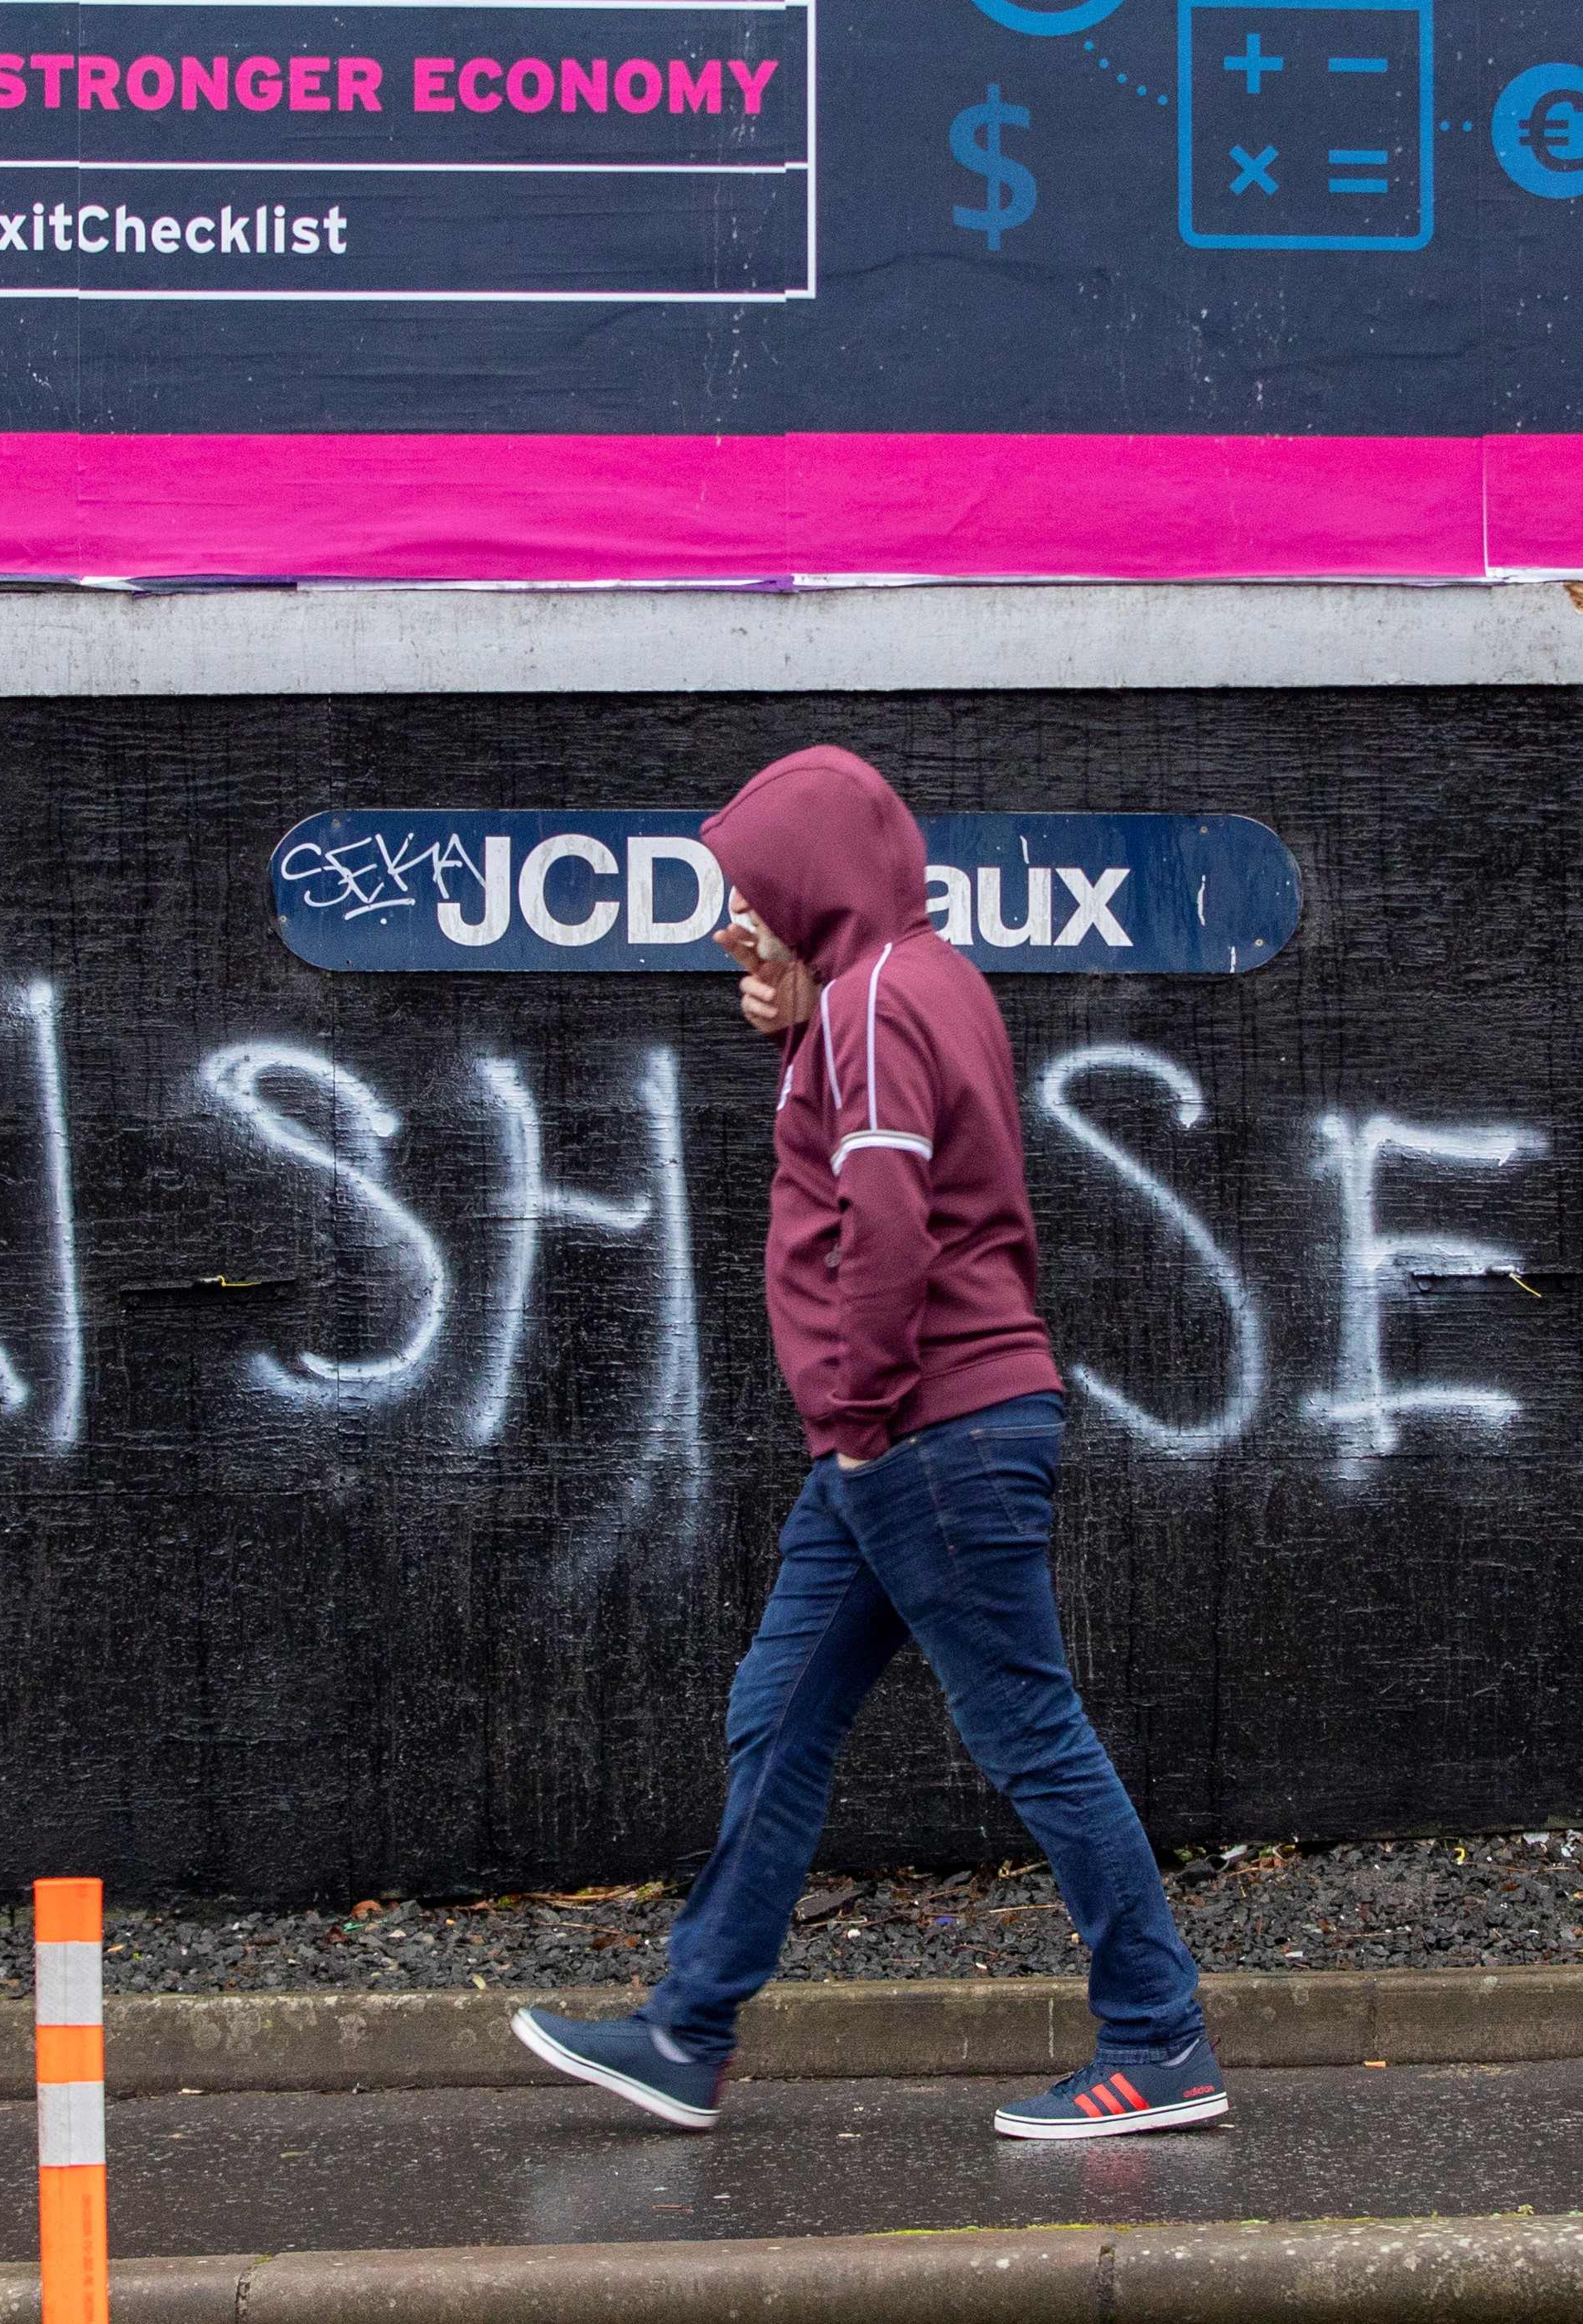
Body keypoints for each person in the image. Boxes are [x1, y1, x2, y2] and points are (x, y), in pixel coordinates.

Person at [512, 744, 1227, 2140]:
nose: (732, 915)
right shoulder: (901, 984)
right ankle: (684, 2027)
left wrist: (851, 1419)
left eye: (747, 887)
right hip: (911, 1430)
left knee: (1028, 1728)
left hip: (923, 1428)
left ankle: (1159, 2038)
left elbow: (890, 1220)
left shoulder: (874, 999)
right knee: (777, 1713)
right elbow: (894, 1156)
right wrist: (796, 1021)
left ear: (806, 881)